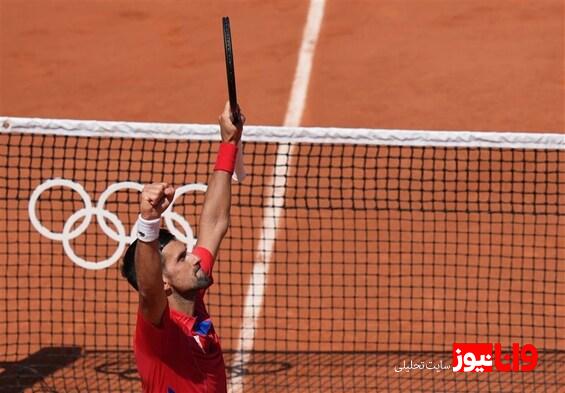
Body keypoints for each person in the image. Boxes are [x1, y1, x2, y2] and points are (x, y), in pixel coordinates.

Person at [121, 102, 244, 393]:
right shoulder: (159, 331)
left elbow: (214, 223)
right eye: (181, 259)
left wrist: (229, 144)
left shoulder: (192, 294)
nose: (195, 259)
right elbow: (149, 290)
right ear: (165, 282)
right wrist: (148, 222)